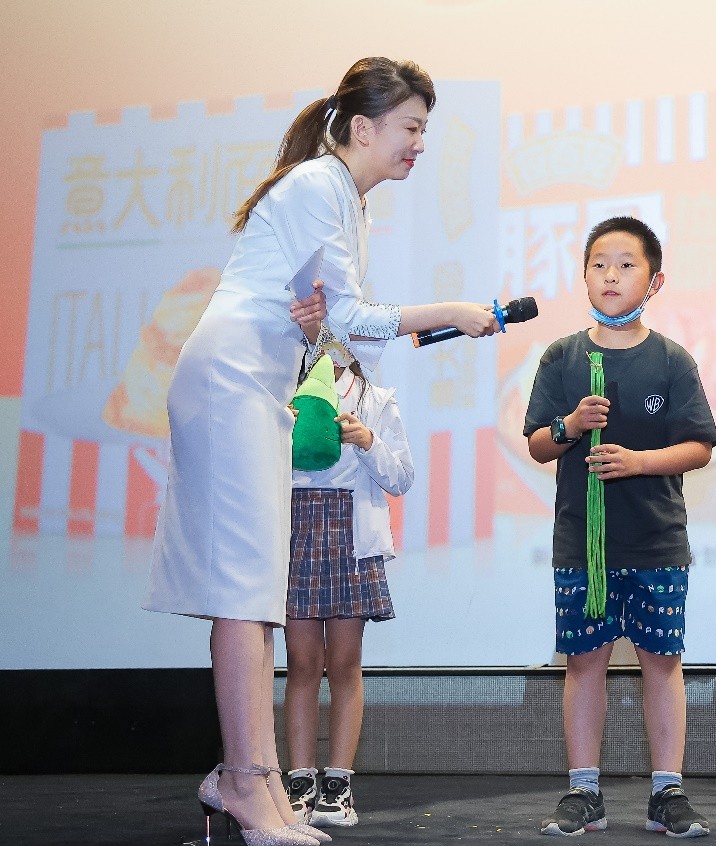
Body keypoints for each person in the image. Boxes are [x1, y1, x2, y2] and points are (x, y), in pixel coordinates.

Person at [144, 57, 499, 846]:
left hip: (257, 384)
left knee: (256, 589)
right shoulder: (317, 185)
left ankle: (255, 780)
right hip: (232, 380)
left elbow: (329, 325)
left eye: (423, 130)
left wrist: (326, 329)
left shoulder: (342, 197)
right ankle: (246, 782)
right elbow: (353, 316)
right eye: (410, 128)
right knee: (245, 588)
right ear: (363, 128)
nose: (418, 145)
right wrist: (453, 310)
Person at [523, 217, 716, 838]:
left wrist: (637, 463)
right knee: (584, 664)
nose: (611, 275)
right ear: (584, 275)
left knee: (662, 662)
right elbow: (537, 443)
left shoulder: (672, 359)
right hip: (582, 543)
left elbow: (699, 446)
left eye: (627, 265)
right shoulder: (562, 356)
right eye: (599, 264)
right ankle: (584, 792)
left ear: (655, 281)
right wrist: (570, 426)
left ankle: (667, 793)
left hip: (657, 539)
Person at [282, 355, 413, 829]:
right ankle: (299, 782)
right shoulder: (281, 388)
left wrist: (368, 441)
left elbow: (401, 478)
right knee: (301, 663)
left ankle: (338, 785)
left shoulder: (376, 400)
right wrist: (279, 428)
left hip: (351, 531)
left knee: (343, 663)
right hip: (294, 526)